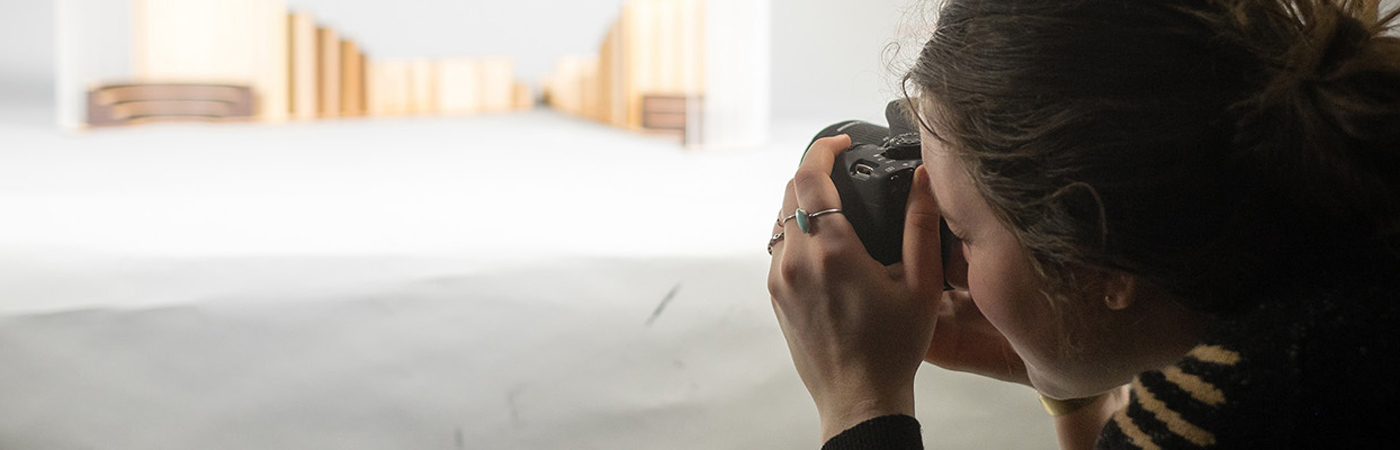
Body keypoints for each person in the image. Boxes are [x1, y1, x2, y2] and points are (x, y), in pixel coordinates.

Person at [766, 0, 1400, 448]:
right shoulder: (1344, 282)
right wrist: (1075, 377)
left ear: (1098, 263)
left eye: (958, 233)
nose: (950, 278)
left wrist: (862, 408)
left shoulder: (1256, 409)